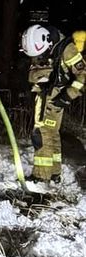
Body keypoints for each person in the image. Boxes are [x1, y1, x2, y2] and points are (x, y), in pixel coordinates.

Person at [20, 13, 86, 182]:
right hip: (44, 93)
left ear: (48, 41)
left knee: (42, 134)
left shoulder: (67, 49)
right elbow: (37, 70)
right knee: (52, 134)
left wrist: (67, 96)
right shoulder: (40, 42)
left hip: (57, 95)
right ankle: (54, 173)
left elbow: (83, 75)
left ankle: (41, 177)